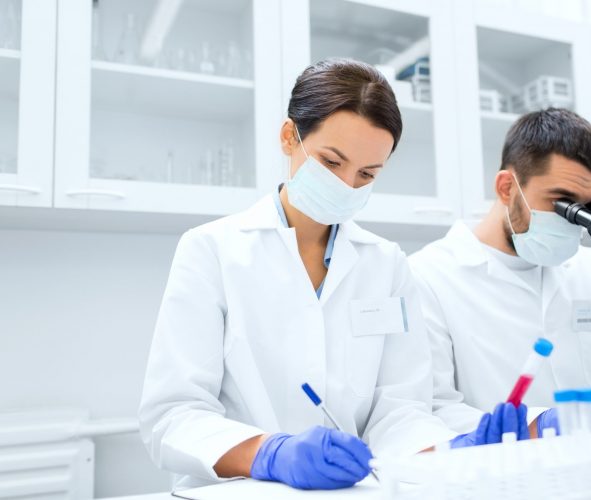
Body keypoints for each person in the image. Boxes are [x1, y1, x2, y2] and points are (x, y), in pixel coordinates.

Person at [139, 58, 527, 491]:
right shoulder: (212, 249)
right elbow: (173, 415)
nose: (346, 184)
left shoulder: (386, 264)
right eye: (330, 162)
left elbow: (398, 410)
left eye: (366, 174)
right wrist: (270, 453)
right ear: (290, 137)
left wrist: (448, 451)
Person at [408, 108, 591, 437]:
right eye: (562, 202)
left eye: (588, 206)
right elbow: (433, 411)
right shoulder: (429, 275)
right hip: (508, 479)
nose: (574, 219)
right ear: (507, 188)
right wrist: (548, 424)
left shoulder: (588, 268)